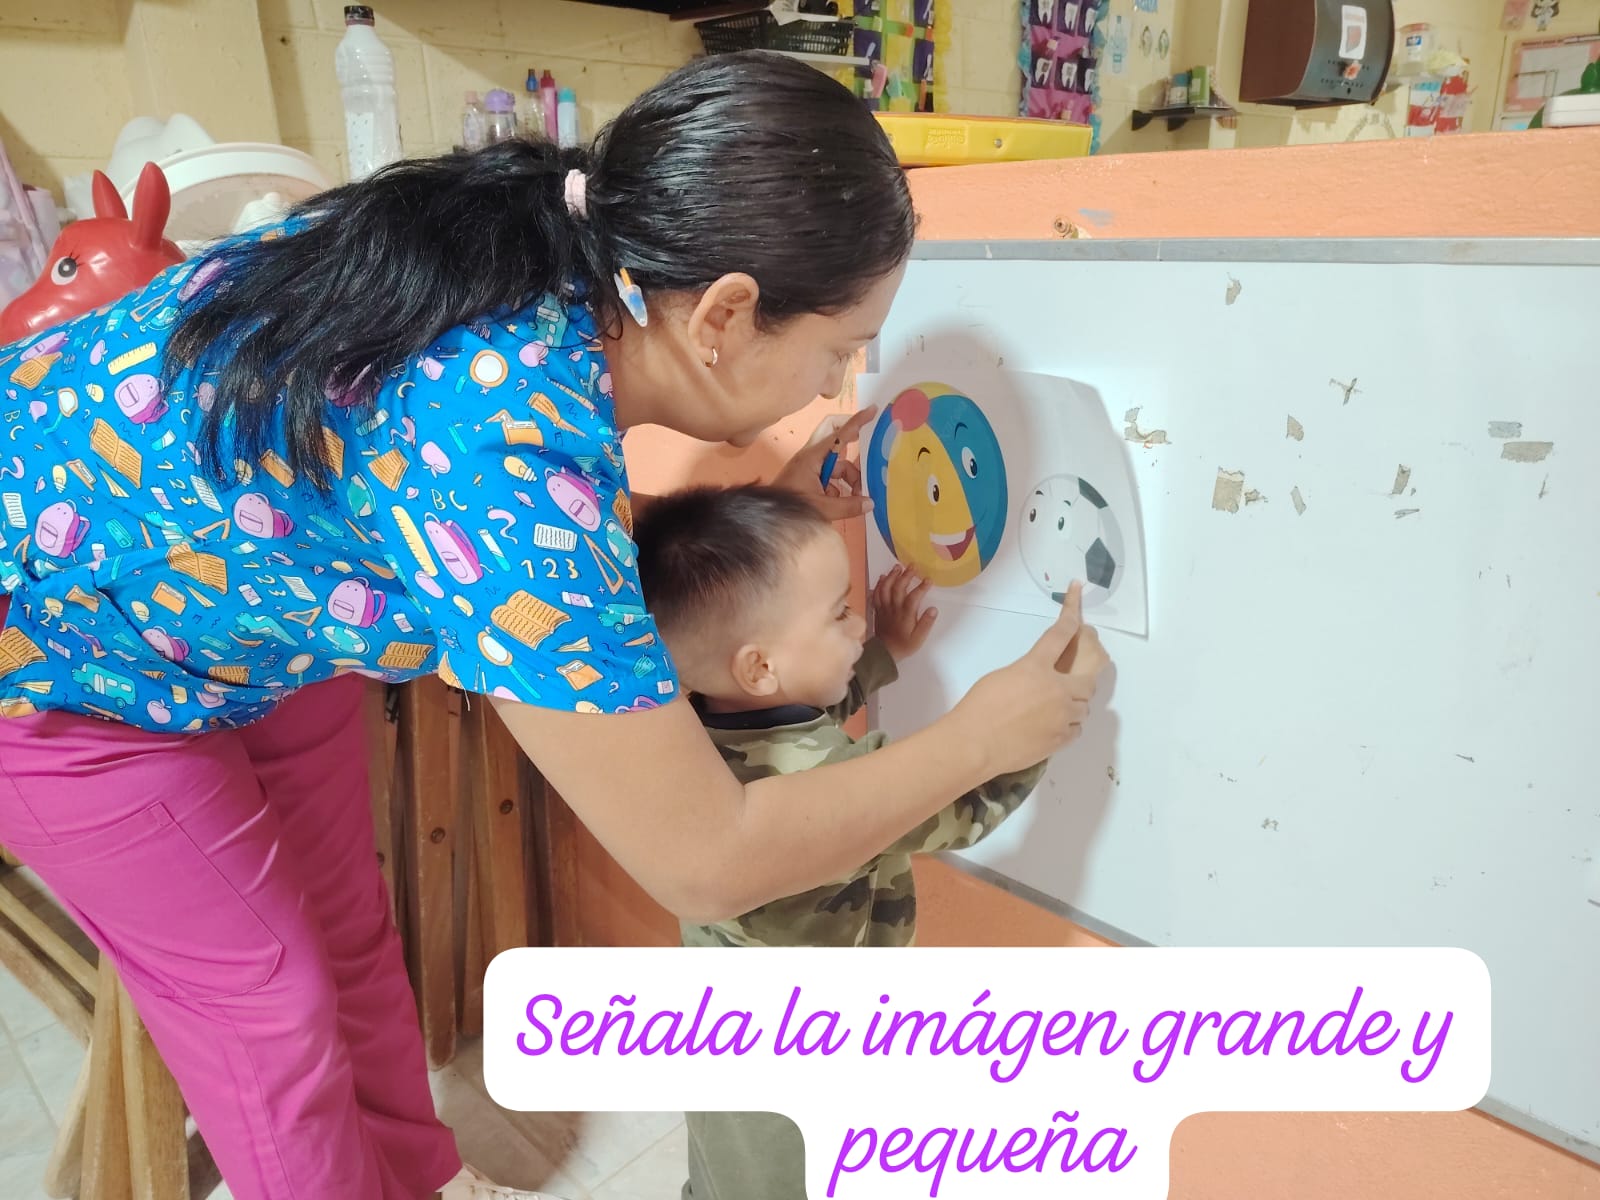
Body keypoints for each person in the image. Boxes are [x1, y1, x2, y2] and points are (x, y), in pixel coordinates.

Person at [0, 52, 1106, 1200]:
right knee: (270, 1010)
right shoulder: (498, 444)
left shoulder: (552, 254)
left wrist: (776, 522)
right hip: (47, 646)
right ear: (726, 316)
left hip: (247, 601)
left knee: (351, 941)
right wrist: (981, 739)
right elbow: (706, 860)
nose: (840, 385)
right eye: (838, 348)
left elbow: (558, 563)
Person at [634, 485, 1106, 1199]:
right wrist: (1043, 717)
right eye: (839, 613)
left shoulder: (696, 736)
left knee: (729, 1156)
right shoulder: (839, 781)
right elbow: (964, 807)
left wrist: (880, 651)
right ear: (758, 667)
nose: (857, 622)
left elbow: (792, 721)